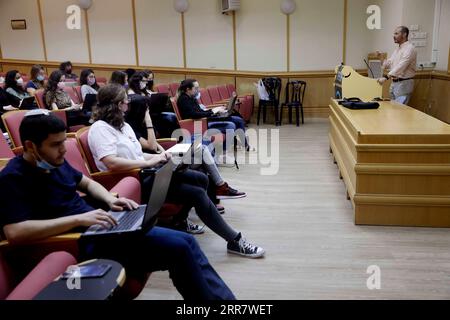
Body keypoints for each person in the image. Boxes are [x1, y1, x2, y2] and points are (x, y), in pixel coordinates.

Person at [0, 109, 236, 300]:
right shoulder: (12, 178)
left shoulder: (55, 162)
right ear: (31, 147)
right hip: (79, 243)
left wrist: (111, 199)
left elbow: (87, 184)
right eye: (55, 144)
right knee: (180, 247)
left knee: (185, 241)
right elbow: (16, 232)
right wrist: (79, 219)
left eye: (64, 142)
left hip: (100, 228)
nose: (63, 149)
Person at [88, 84, 265, 258]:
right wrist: (151, 162)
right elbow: (111, 162)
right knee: (196, 193)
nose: (128, 105)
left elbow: (138, 154)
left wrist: (160, 157)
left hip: (149, 171)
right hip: (133, 181)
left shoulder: (123, 125)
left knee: (201, 178)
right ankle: (234, 239)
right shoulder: (100, 129)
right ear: (117, 104)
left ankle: (179, 221)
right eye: (125, 102)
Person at [125, 95, 246, 200]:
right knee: (202, 158)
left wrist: (164, 153)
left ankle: (218, 190)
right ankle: (218, 190)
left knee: (202, 149)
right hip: (154, 166)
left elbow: (156, 144)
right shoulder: (132, 127)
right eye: (147, 108)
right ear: (141, 110)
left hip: (164, 158)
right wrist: (148, 121)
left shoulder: (139, 124)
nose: (149, 110)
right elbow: (151, 145)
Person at [128, 71, 179, 139]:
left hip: (152, 113)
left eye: (146, 81)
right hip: (142, 118)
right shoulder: (131, 93)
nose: (146, 83)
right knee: (168, 120)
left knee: (169, 119)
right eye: (144, 81)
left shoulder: (143, 90)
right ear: (137, 81)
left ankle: (172, 140)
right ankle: (167, 140)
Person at [377, 26, 417, 105]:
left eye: (396, 33)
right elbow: (389, 64)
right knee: (393, 110)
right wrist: (381, 57)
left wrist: (386, 77)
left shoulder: (410, 49)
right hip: (394, 83)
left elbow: (401, 66)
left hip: (404, 84)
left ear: (404, 34)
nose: (393, 36)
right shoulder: (397, 49)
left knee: (399, 111)